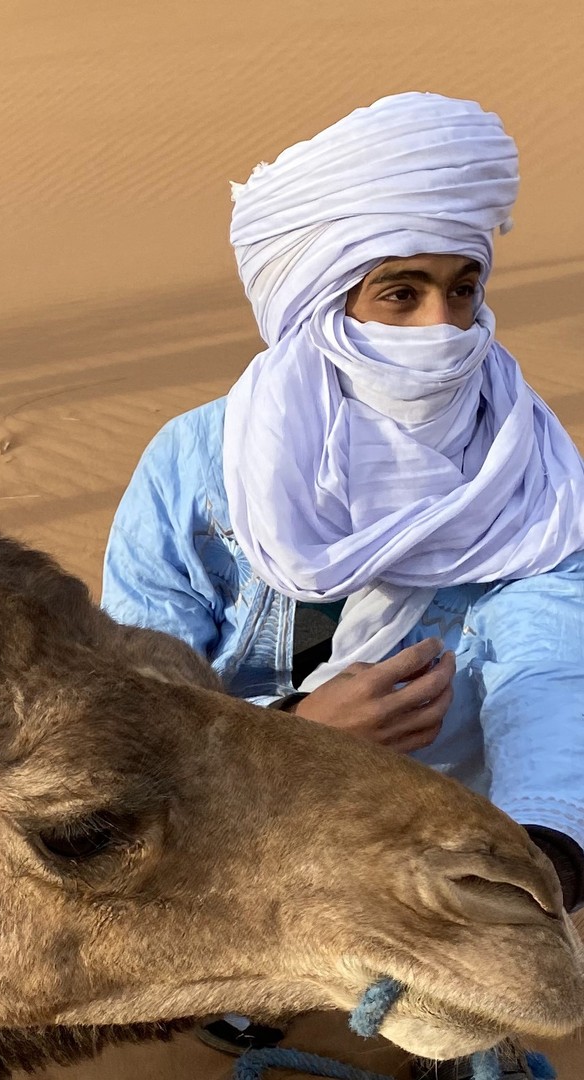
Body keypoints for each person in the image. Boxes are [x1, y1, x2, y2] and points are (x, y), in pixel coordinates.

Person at [101, 93, 584, 1070]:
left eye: (463, 289)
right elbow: (135, 685)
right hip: (245, 808)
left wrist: (547, 847)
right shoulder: (201, 463)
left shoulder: (523, 467)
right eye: (399, 294)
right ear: (325, 302)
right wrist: (292, 742)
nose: (442, 328)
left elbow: (550, 663)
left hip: (464, 827)